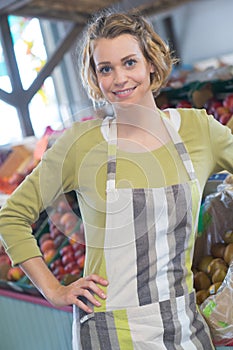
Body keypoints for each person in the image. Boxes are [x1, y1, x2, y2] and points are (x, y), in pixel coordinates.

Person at [0, 10, 233, 350]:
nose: (119, 78)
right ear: (95, 76)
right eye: (105, 68)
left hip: (184, 327)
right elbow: (12, 216)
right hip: (108, 333)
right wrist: (54, 290)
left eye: (129, 62)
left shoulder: (199, 130)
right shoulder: (80, 143)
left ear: (151, 63)